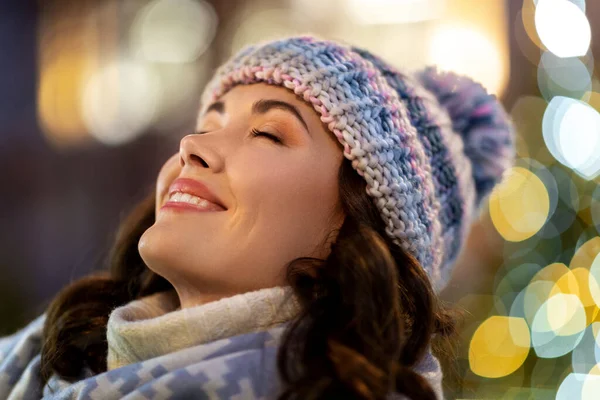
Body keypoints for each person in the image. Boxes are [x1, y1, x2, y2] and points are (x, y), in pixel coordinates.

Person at [0, 34, 515, 399]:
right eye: (207, 123)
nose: (192, 146)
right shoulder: (52, 359)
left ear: (358, 233)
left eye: (268, 133)